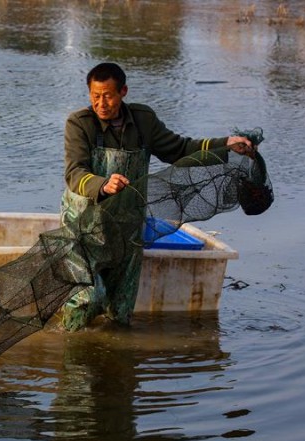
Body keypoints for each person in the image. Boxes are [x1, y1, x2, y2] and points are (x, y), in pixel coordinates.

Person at [60, 62, 255, 331]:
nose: (100, 103)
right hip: (84, 222)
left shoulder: (143, 120)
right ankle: (74, 347)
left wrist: (226, 144)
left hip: (127, 224)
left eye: (108, 95)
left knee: (121, 303)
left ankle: (118, 353)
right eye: (95, 95)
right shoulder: (79, 124)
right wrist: (104, 185)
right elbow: (75, 173)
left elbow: (180, 149)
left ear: (123, 92)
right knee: (85, 297)